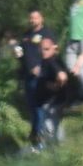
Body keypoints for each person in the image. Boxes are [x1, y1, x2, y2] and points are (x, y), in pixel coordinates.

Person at [17, 9, 55, 142]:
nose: (33, 20)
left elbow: (52, 52)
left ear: (41, 19)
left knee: (40, 106)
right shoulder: (26, 34)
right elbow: (21, 52)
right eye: (31, 18)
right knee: (31, 106)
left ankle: (41, 136)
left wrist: (41, 67)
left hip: (41, 76)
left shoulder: (47, 33)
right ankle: (35, 132)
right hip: (27, 75)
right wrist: (17, 53)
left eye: (36, 18)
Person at [31, 37, 68, 148]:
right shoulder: (46, 61)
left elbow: (63, 77)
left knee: (51, 128)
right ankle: (58, 149)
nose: (44, 51)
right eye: (42, 49)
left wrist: (55, 86)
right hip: (46, 101)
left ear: (53, 48)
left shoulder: (52, 61)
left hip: (51, 102)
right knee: (53, 126)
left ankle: (56, 151)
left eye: (47, 49)